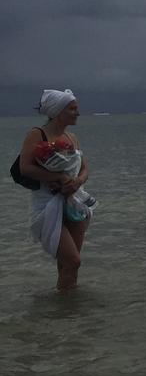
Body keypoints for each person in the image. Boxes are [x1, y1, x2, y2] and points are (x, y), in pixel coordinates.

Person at [16, 90, 91, 291]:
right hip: (47, 205)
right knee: (74, 261)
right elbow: (25, 167)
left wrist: (77, 181)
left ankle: (66, 312)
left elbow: (84, 168)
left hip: (73, 203)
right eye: (73, 109)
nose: (78, 113)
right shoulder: (36, 134)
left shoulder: (72, 137)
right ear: (58, 112)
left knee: (67, 265)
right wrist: (58, 177)